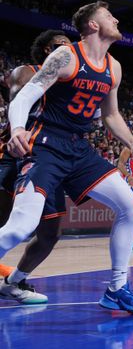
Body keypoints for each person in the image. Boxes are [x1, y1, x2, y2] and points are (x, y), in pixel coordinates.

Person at [0, 1, 133, 314]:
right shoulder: (67, 55)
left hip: (78, 149)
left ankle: (117, 288)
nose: (117, 19)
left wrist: (130, 142)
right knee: (21, 226)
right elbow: (26, 96)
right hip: (46, 145)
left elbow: (110, 114)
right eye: (109, 16)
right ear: (94, 24)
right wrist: (17, 129)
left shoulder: (114, 67)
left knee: (131, 205)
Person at [0, 30, 70, 301]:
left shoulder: (72, 80)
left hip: (48, 155)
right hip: (14, 154)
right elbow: (20, 102)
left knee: (51, 233)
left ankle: (15, 281)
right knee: (6, 221)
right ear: (46, 50)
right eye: (61, 45)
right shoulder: (25, 72)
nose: (68, 49)